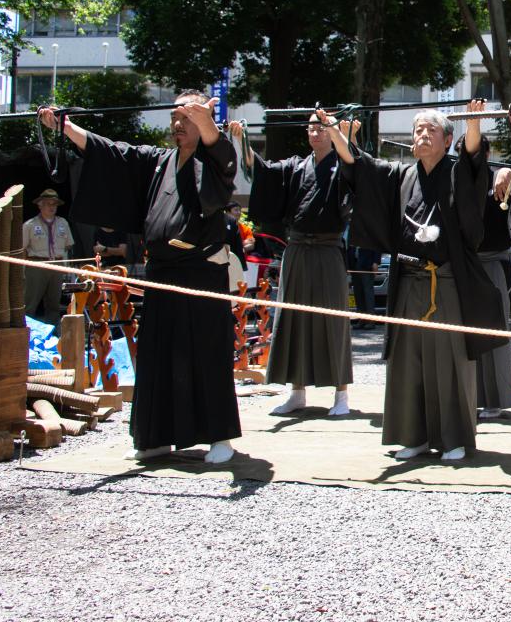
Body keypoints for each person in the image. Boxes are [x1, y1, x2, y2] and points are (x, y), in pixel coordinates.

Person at [39, 93, 241, 464]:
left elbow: (224, 155)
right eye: (174, 117)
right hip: (162, 272)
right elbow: (112, 152)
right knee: (159, 355)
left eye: (187, 117)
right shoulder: (158, 160)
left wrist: (208, 121)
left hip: (201, 273)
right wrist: (66, 128)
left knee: (206, 354)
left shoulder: (213, 159)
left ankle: (220, 436)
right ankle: (158, 435)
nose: (178, 124)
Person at [322, 102, 503, 460]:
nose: (421, 135)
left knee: (450, 361)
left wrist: (474, 122)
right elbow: (359, 167)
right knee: (408, 362)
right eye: (417, 130)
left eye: (430, 130)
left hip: (447, 283)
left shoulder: (457, 171)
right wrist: (334, 134)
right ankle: (414, 436)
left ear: (448, 139)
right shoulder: (401, 175)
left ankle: (454, 440)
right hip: (408, 280)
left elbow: (473, 158)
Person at [232, 116, 354, 417]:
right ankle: (296, 391)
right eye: (311, 127)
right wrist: (242, 140)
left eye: (321, 127)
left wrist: (348, 135)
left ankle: (341, 393)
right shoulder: (295, 166)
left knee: (333, 318)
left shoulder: (344, 165)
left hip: (328, 249)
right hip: (297, 247)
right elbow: (263, 172)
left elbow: (359, 172)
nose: (315, 131)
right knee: (292, 317)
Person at [476, 163, 511, 420]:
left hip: (495, 263)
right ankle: (470, 396)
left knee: (495, 334)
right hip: (465, 265)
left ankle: (496, 400)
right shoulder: (459, 178)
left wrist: (508, 172)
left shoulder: (500, 179)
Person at [21, 188, 74, 323]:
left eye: (54, 204)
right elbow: (21, 249)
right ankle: (27, 334)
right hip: (37, 265)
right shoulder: (30, 225)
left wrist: (66, 267)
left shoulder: (63, 223)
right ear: (40, 205)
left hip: (57, 266)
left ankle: (53, 335)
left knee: (54, 304)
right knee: (30, 303)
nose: (52, 207)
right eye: (48, 203)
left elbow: (68, 247)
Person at [347, 238, 381, 329]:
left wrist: (376, 262)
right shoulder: (353, 229)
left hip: (367, 264)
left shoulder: (369, 227)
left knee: (368, 293)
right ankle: (362, 319)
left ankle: (371, 320)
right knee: (358, 293)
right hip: (354, 264)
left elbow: (377, 244)